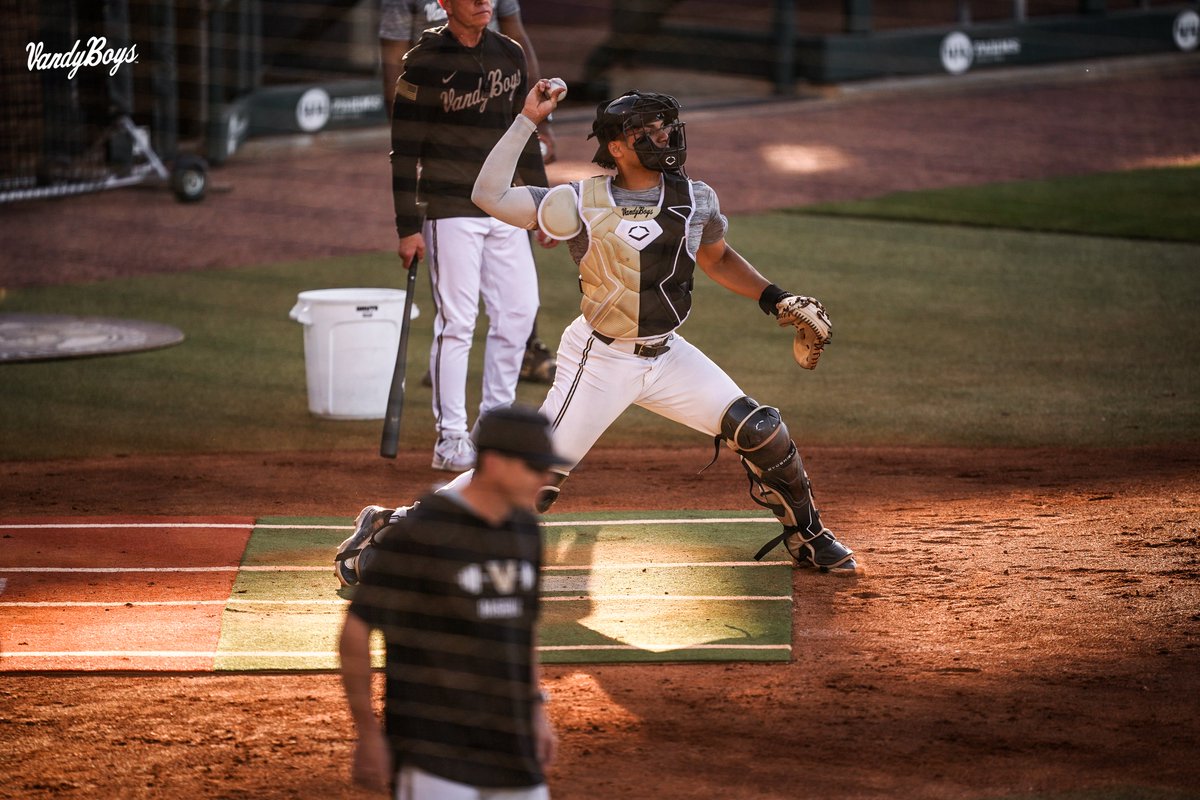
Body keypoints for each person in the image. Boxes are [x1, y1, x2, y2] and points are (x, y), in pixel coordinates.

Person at [346, 80, 860, 576]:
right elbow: (488, 194)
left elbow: (718, 257)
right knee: (531, 481)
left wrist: (776, 299)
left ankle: (809, 537)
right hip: (600, 360)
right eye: (650, 132)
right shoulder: (577, 203)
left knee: (761, 431)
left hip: (667, 355)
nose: (665, 139)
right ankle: (391, 528)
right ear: (616, 147)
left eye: (666, 128)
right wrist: (528, 119)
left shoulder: (696, 198)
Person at [339, 405, 566, 798]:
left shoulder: (526, 531)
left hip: (512, 746)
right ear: (495, 464)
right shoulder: (423, 534)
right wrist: (368, 732)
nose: (545, 478)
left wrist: (536, 709)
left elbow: (521, 632)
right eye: (534, 467)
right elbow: (356, 632)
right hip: (433, 751)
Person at [390, 0, 550, 472]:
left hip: (504, 206)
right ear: (443, 2)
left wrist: (542, 206)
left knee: (519, 314)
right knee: (457, 324)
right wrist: (407, 227)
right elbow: (403, 152)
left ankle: (492, 428)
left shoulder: (510, 53)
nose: (484, 2)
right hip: (449, 209)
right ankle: (450, 439)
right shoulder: (423, 61)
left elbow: (524, 134)